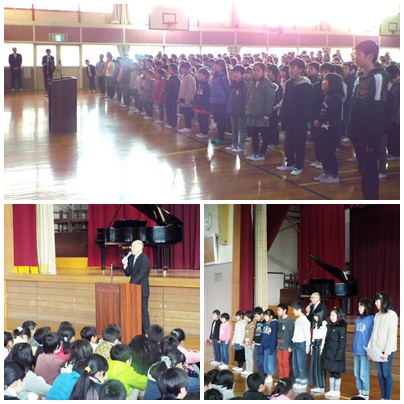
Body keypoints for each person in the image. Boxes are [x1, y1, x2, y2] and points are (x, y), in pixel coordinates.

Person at [349, 40, 389, 199]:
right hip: (358, 135)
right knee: (363, 171)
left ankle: (372, 202)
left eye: (358, 54)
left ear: (370, 56)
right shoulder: (361, 78)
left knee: (370, 172)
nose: (355, 57)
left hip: (369, 137)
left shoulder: (379, 77)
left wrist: (372, 140)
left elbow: (378, 110)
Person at [277, 57, 312, 175]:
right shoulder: (289, 83)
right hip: (289, 119)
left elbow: (306, 105)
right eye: (290, 67)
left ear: (301, 69)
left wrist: (304, 119)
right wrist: (284, 116)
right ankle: (290, 163)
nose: (290, 69)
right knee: (289, 142)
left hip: (300, 120)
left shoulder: (306, 85)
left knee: (299, 143)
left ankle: (299, 166)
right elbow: (286, 101)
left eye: (293, 67)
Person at [313, 72, 344, 183]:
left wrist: (320, 120)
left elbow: (331, 113)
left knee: (329, 153)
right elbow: (323, 111)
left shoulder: (336, 97)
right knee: (323, 152)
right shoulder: (327, 96)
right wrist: (317, 119)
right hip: (323, 129)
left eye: (326, 80)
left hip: (331, 130)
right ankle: (326, 172)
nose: (323, 82)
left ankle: (334, 175)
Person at [367, 291, 398, 400]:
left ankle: (388, 398)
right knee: (380, 374)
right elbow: (374, 333)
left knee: (386, 373)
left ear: (384, 301)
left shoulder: (392, 315)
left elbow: (391, 335)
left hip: (386, 351)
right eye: (375, 301)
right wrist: (369, 349)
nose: (375, 303)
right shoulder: (377, 315)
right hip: (377, 350)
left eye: (377, 301)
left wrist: (387, 353)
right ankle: (383, 397)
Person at [245, 63, 276, 161]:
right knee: (254, 135)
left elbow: (270, 101)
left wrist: (267, 114)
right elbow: (248, 97)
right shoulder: (252, 83)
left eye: (258, 70)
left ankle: (262, 154)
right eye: (254, 70)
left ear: (264, 72)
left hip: (262, 114)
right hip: (252, 113)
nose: (256, 73)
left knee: (264, 134)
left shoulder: (267, 84)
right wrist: (247, 110)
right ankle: (255, 153)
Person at [122, 240, 151, 333]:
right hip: (133, 289)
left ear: (139, 247)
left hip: (142, 289)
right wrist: (125, 264)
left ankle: (147, 332)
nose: (131, 249)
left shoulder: (145, 259)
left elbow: (141, 275)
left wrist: (130, 285)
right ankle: (137, 330)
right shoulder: (132, 258)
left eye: (133, 247)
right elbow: (128, 273)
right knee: (134, 311)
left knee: (143, 312)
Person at [352, 298, 374, 400]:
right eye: (358, 306)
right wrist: (353, 349)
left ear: (367, 307)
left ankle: (365, 393)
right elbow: (356, 335)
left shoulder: (371, 319)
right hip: (357, 350)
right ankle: (360, 392)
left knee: (363, 373)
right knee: (357, 373)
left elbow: (372, 336)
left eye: (361, 306)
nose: (359, 308)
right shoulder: (358, 319)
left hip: (365, 352)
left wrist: (370, 351)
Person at [323, 307, 347, 398]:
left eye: (334, 315)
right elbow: (326, 341)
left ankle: (337, 390)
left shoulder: (341, 328)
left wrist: (339, 355)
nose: (332, 317)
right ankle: (331, 389)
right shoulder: (329, 326)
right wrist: (325, 352)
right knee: (331, 372)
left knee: (336, 372)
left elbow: (342, 343)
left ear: (338, 316)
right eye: (331, 315)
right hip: (329, 353)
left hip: (337, 354)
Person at [226, 64, 248, 152]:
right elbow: (229, 98)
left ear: (242, 74)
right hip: (233, 110)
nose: (235, 74)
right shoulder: (232, 85)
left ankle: (241, 146)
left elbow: (246, 99)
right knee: (234, 128)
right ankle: (234, 144)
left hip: (241, 111)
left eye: (238, 72)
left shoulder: (244, 86)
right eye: (234, 72)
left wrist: (244, 111)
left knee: (242, 129)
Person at [291, 301, 311, 390]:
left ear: (299, 310)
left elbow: (307, 334)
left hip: (301, 344)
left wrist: (307, 345)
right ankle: (298, 380)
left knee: (301, 364)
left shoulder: (304, 320)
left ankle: (303, 382)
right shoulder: (297, 320)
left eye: (294, 310)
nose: (293, 312)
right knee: (295, 364)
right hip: (295, 343)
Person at [210, 58, 230, 145]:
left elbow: (227, 89)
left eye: (217, 65)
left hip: (221, 102)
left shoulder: (223, 77)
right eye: (215, 64)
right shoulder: (215, 76)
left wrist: (227, 101)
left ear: (222, 67)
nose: (215, 66)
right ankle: (219, 136)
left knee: (221, 120)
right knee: (217, 120)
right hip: (215, 101)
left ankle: (221, 137)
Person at [309, 306, 327, 394]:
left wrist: (322, 348)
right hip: (315, 345)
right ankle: (316, 384)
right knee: (314, 365)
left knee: (320, 366)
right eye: (314, 316)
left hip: (320, 346)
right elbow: (313, 337)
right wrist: (311, 347)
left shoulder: (324, 324)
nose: (315, 317)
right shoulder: (316, 325)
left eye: (316, 316)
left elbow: (324, 338)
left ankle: (321, 385)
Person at [384, 65, 400, 161]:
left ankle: (396, 154)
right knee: (391, 135)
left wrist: (398, 118)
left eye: (391, 78)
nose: (390, 80)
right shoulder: (393, 85)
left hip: (396, 116)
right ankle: (392, 153)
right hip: (391, 115)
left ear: (397, 75)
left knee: (396, 136)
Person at [277, 303, 294, 379]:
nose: (277, 312)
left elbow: (291, 334)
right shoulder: (279, 320)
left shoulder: (289, 321)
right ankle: (281, 378)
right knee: (280, 363)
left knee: (285, 363)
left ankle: (285, 379)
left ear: (284, 311)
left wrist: (290, 346)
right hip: (279, 344)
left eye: (279, 310)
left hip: (286, 345)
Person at [178, 61, 196, 133]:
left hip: (187, 100)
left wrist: (187, 100)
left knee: (188, 114)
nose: (181, 70)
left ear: (186, 68)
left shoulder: (190, 78)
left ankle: (188, 127)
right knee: (185, 113)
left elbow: (190, 90)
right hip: (183, 99)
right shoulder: (184, 77)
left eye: (182, 68)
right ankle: (186, 126)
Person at [194, 67, 212, 139]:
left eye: (200, 74)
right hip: (199, 104)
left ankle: (205, 133)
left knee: (204, 120)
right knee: (200, 119)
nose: (198, 76)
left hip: (204, 106)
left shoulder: (207, 86)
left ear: (205, 76)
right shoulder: (199, 84)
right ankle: (201, 132)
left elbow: (207, 97)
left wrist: (206, 107)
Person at [164, 63, 181, 129]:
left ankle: (172, 123)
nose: (168, 70)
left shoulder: (176, 79)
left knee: (172, 110)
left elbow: (175, 89)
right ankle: (169, 122)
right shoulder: (170, 78)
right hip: (168, 96)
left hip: (172, 97)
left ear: (174, 70)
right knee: (168, 109)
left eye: (170, 69)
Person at [241, 310, 256, 376]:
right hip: (246, 343)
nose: (244, 317)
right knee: (246, 357)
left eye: (245, 316)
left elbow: (251, 335)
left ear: (249, 317)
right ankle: (247, 369)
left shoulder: (252, 326)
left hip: (249, 343)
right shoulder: (247, 325)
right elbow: (246, 335)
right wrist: (243, 341)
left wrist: (250, 344)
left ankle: (250, 370)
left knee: (250, 357)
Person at [252, 306, 265, 375]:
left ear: (261, 314)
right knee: (257, 359)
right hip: (256, 343)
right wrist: (253, 342)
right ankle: (259, 372)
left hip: (261, 344)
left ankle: (262, 373)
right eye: (255, 316)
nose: (256, 318)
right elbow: (255, 332)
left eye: (257, 316)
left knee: (261, 359)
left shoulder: (264, 322)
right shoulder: (257, 322)